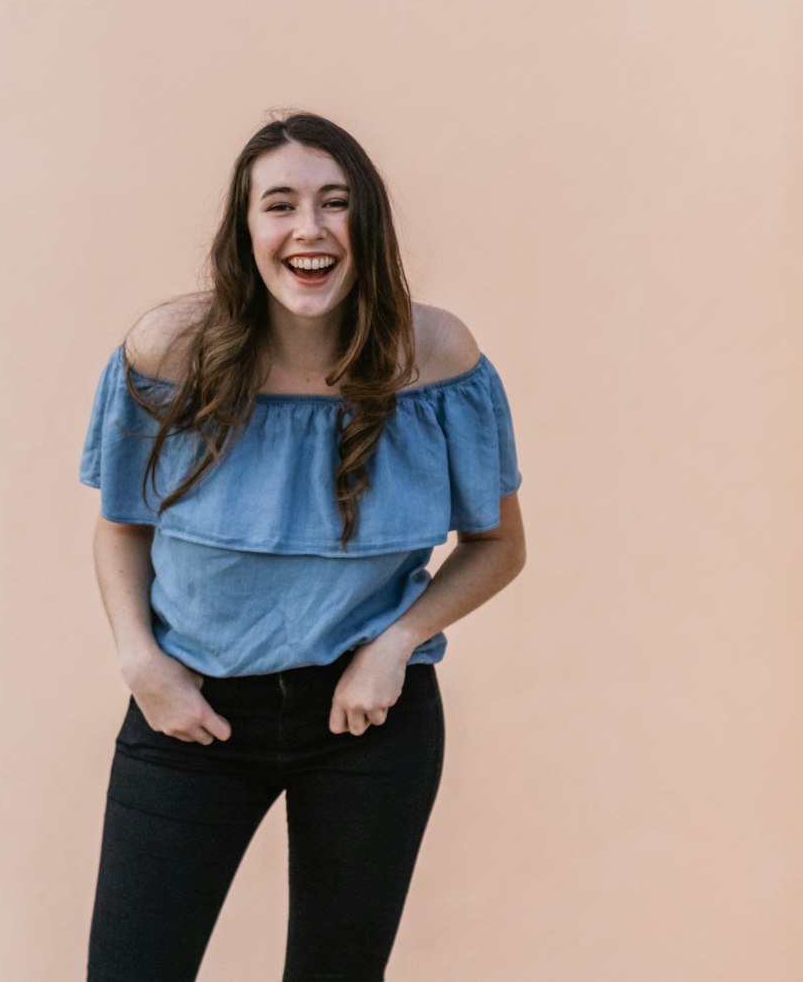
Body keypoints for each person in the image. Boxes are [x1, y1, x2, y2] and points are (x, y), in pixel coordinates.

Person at [79, 110, 527, 982]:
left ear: (369, 224)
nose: (310, 230)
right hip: (191, 712)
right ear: (246, 232)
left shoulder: (436, 362)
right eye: (279, 205)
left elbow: (499, 546)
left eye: (336, 203)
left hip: (365, 721)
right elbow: (120, 526)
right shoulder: (168, 353)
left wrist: (395, 643)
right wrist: (141, 661)